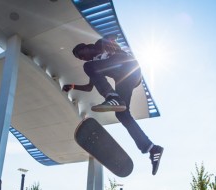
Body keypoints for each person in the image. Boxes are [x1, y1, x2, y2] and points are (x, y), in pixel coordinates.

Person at [62, 35, 164, 175]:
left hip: (128, 66)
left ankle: (112, 96)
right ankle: (151, 148)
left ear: (86, 47)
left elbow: (110, 38)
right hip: (126, 80)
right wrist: (73, 86)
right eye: (80, 58)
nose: (83, 59)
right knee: (121, 113)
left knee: (89, 67)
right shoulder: (95, 64)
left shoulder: (99, 45)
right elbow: (89, 87)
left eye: (81, 55)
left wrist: (108, 40)